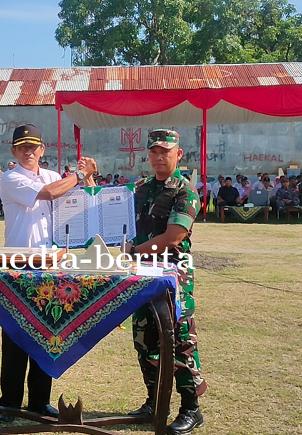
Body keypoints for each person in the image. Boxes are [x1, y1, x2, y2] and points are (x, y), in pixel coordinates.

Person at [0, 124, 97, 423]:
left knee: (47, 334)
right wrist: (79, 175)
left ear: (42, 150)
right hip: (18, 265)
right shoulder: (11, 177)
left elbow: (81, 200)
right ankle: (10, 404)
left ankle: (39, 402)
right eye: (22, 147)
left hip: (50, 265)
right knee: (15, 338)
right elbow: (49, 193)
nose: (29, 152)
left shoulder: (54, 176)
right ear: (14, 151)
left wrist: (88, 175)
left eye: (34, 147)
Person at [125, 129, 206, 434]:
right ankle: (154, 402)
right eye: (154, 152)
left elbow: (173, 237)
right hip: (141, 273)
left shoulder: (185, 192)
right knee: (144, 338)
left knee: (179, 340)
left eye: (165, 152)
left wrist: (132, 250)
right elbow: (114, 214)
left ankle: (191, 409)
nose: (159, 157)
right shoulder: (142, 187)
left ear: (178, 154)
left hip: (173, 274)